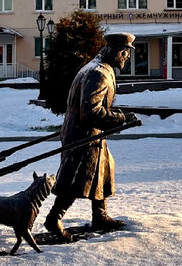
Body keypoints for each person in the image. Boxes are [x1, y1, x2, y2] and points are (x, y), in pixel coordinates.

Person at [44, 32, 137, 238]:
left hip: (87, 130)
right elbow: (91, 112)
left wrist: (119, 115)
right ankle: (54, 218)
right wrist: (120, 118)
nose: (127, 58)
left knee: (104, 166)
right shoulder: (98, 73)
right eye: (126, 54)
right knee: (76, 175)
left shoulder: (99, 66)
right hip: (83, 132)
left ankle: (100, 214)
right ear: (118, 52)